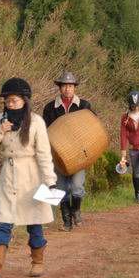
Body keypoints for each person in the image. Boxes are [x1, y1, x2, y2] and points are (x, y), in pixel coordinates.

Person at [0, 78, 57, 278]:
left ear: (24, 100)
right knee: (4, 219)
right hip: (8, 175)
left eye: (13, 100)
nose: (9, 104)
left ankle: (37, 262)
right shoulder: (0, 119)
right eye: (7, 101)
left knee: (34, 223)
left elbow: (44, 154)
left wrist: (50, 182)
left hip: (31, 176)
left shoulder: (37, 121)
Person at [41, 72, 94, 231]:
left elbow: (92, 128)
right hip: (57, 155)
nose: (67, 89)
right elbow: (45, 131)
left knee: (77, 186)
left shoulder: (84, 106)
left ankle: (76, 211)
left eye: (70, 86)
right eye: (64, 86)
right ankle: (66, 222)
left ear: (74, 88)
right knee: (61, 188)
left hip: (79, 155)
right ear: (60, 88)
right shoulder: (50, 108)